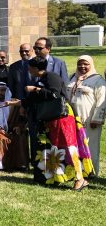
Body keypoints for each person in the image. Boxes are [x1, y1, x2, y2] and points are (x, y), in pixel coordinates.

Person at [24, 56, 92, 189]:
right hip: (52, 120)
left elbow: (54, 94)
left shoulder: (51, 77)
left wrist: (35, 89)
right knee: (53, 149)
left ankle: (80, 179)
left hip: (63, 118)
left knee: (68, 147)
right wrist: (16, 103)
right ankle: (55, 176)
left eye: (30, 67)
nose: (28, 70)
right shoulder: (41, 79)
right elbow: (33, 99)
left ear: (36, 68)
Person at [66, 55, 106, 176]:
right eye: (80, 64)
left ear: (91, 65)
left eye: (86, 64)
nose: (82, 66)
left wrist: (97, 119)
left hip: (89, 120)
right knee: (75, 145)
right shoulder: (72, 77)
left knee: (90, 145)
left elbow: (102, 100)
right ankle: (77, 171)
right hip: (72, 118)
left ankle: (91, 172)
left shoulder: (98, 80)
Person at [0, 82, 28, 171]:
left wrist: (19, 126)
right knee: (0, 138)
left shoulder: (14, 102)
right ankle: (2, 165)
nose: (0, 93)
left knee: (20, 135)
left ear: (7, 91)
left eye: (2, 90)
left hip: (13, 129)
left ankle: (20, 164)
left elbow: (23, 117)